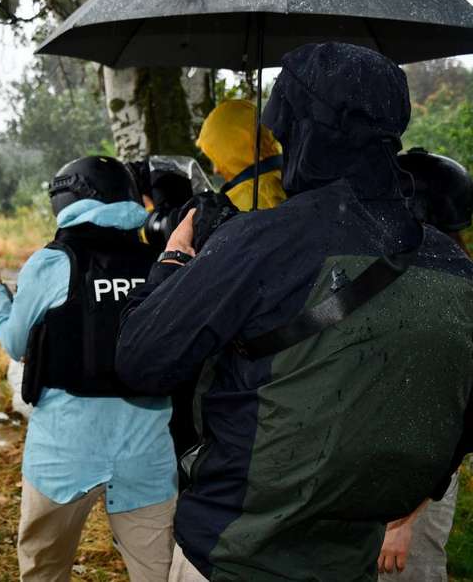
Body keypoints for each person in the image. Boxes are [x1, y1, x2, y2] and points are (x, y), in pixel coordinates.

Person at [114, 42, 473, 581]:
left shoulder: (261, 243)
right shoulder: (451, 261)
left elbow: (141, 360)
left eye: (284, 131)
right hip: (353, 556)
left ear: (304, 130)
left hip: (236, 554)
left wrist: (173, 261)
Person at [0, 156, 177, 581]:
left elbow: (14, 342)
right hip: (147, 449)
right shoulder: (159, 262)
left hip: (63, 452)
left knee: (43, 567)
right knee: (158, 571)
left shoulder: (52, 261)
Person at [377, 147, 473, 581]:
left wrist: (406, 521)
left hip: (417, 491)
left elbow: (457, 420)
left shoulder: (452, 298)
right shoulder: (385, 278)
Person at [195, 99, 286, 211]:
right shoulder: (293, 176)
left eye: (218, 159)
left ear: (231, 147)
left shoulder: (237, 203)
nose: (216, 170)